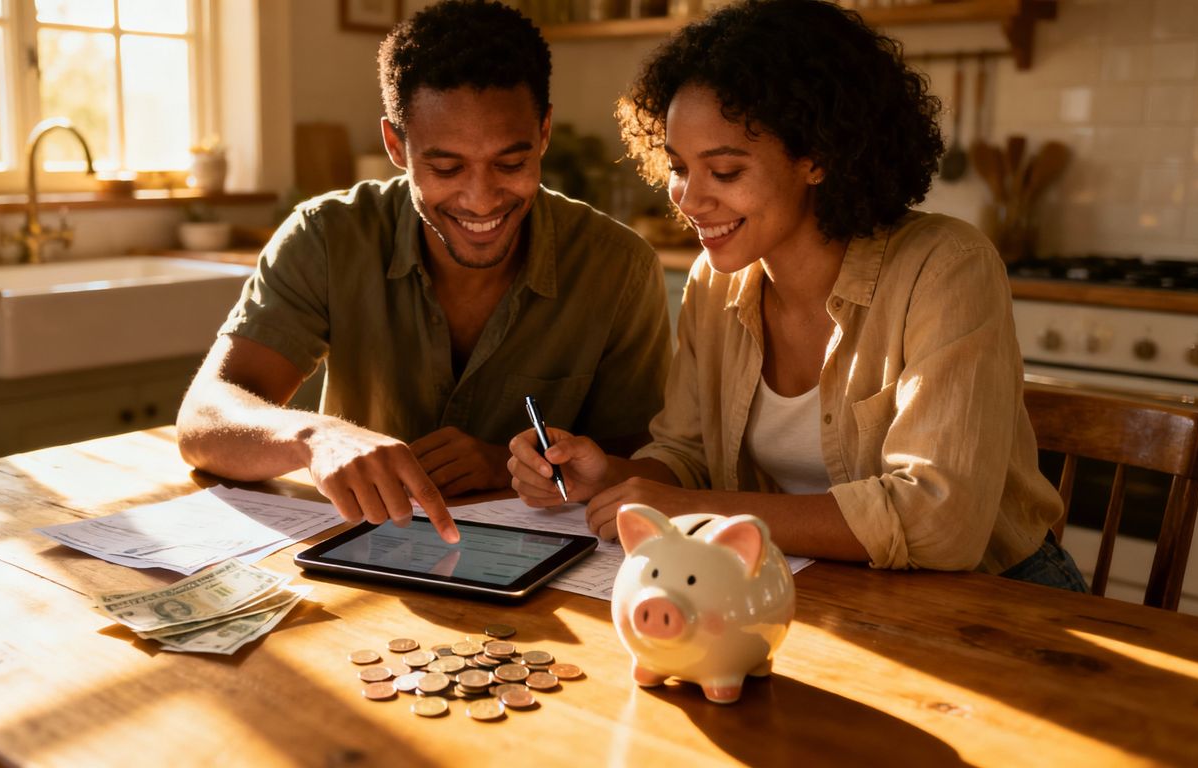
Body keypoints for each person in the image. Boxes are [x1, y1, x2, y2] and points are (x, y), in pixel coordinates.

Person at [507, 0, 1087, 591]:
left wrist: (704, 512)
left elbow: (940, 521)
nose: (688, 200)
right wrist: (609, 476)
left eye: (725, 172)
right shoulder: (715, 281)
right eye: (679, 168)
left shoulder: (945, 267)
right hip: (820, 591)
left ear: (817, 157)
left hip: (999, 598)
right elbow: (689, 457)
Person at [177, 0, 672, 544]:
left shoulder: (618, 267)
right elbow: (203, 421)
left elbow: (645, 468)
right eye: (446, 167)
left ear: (544, 132)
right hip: (357, 562)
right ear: (396, 145)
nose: (481, 199)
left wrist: (509, 466)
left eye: (511, 163)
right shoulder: (327, 237)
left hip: (544, 573)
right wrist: (315, 436)